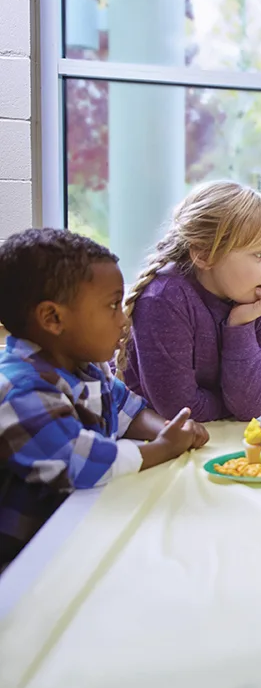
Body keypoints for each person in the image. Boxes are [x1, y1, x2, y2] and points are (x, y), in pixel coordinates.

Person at [0, 229, 208, 569]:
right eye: (112, 306)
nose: (123, 321)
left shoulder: (86, 368)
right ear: (52, 318)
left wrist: (171, 430)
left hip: (86, 526)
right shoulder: (21, 390)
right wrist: (163, 448)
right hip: (29, 559)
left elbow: (130, 411)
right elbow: (82, 464)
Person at [119, 182, 261, 422]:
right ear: (204, 255)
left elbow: (254, 407)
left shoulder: (258, 297)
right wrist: (229, 406)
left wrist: (240, 326)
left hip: (219, 440)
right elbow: (180, 412)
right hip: (159, 446)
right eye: (260, 254)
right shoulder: (164, 299)